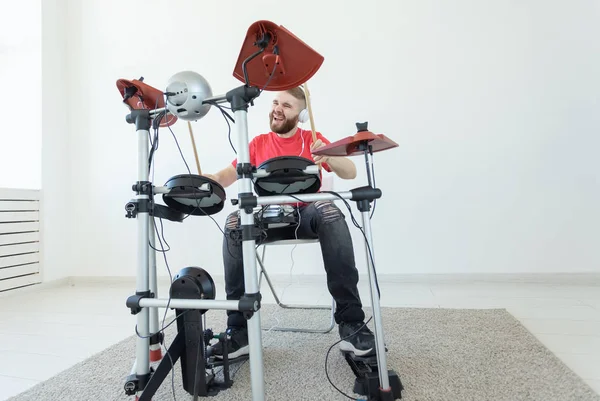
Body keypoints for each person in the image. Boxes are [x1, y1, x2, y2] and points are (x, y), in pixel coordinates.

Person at [204, 86, 375, 360]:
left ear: (302, 114)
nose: (277, 109)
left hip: (307, 214)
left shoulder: (314, 139)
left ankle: (351, 322)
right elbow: (228, 174)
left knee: (330, 212)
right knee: (235, 221)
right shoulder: (257, 144)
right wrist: (210, 179)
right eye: (275, 103)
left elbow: (350, 172)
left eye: (286, 105)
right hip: (267, 215)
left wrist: (328, 156)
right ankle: (238, 330)